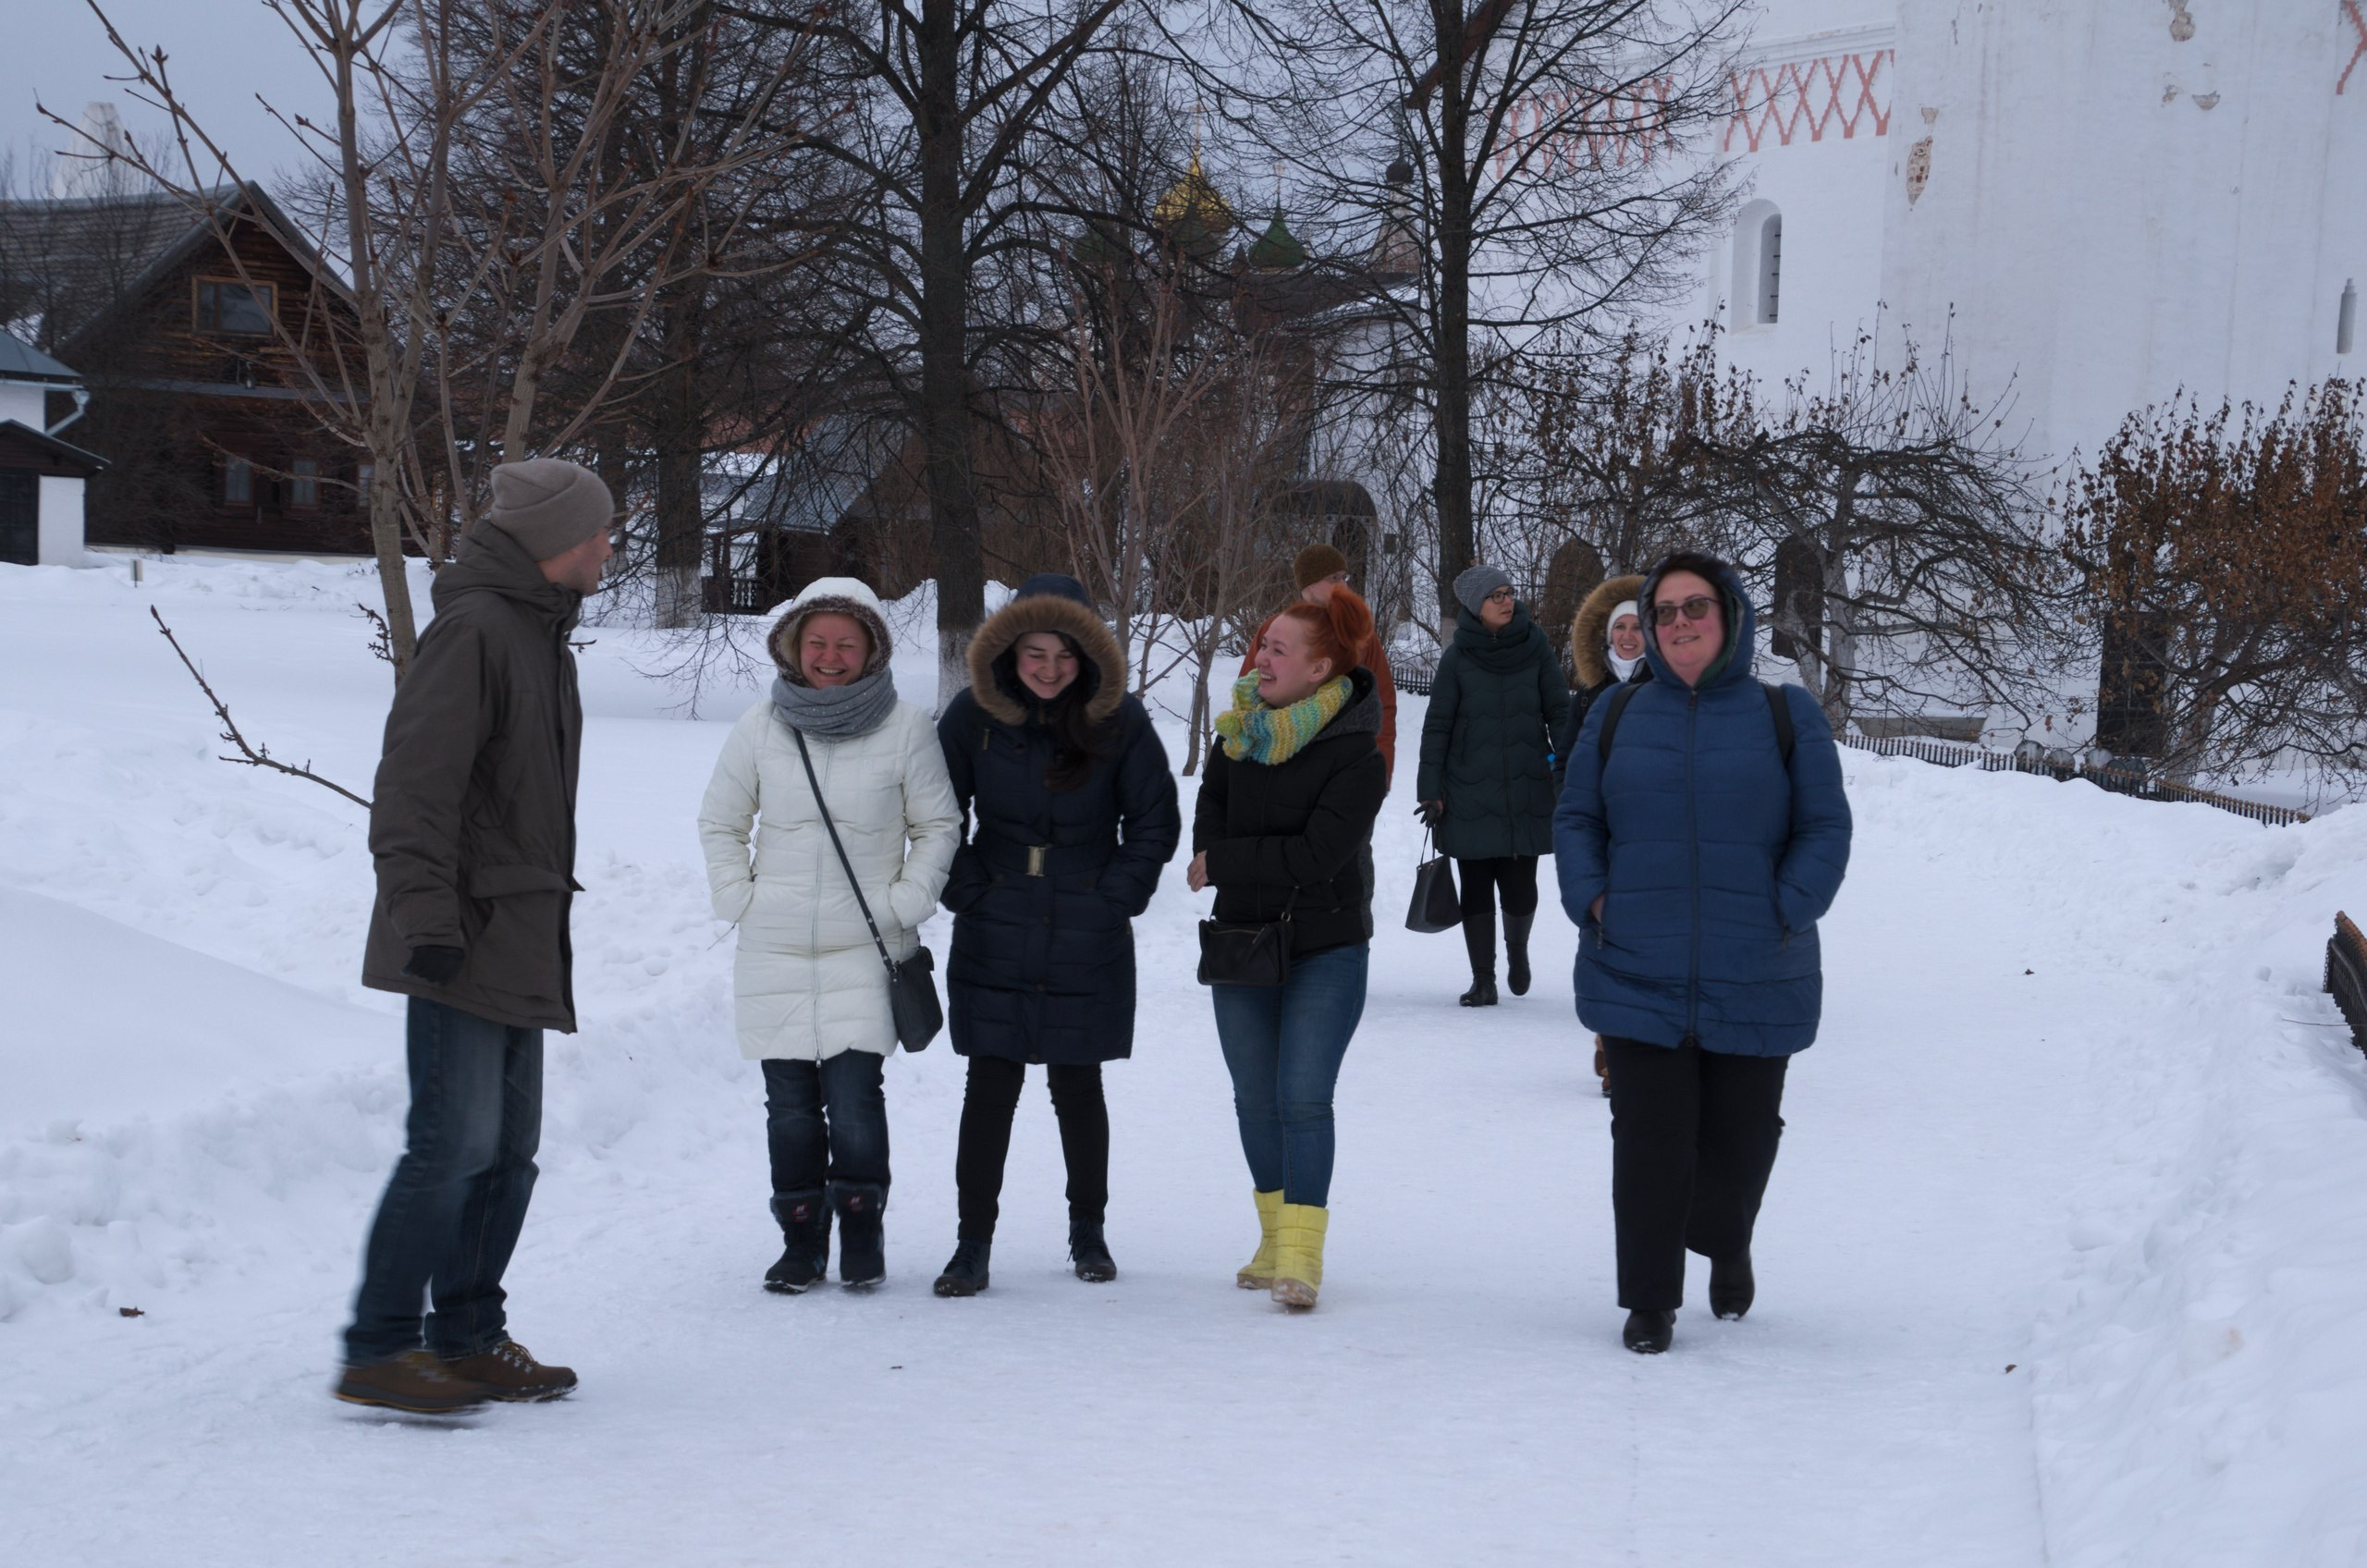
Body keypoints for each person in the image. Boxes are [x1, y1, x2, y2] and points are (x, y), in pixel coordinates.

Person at [337, 458, 614, 1415]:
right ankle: (379, 1346)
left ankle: (466, 1334)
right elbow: (414, 791)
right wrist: (426, 921)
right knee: (450, 1146)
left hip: (522, 931)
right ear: (554, 542)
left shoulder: (541, 639)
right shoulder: (476, 634)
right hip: (459, 935)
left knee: (507, 1154)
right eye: (598, 532)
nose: (608, 547)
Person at [1554, 550, 1852, 1355]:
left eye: (1697, 608)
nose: (1680, 623)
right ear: (1648, 629)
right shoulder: (1616, 718)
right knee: (1648, 1135)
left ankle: (1726, 1240)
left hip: (1756, 964)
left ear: (1730, 617)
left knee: (1741, 1137)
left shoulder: (1786, 715)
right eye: (1665, 612)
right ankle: (1649, 1299)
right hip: (1635, 960)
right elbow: (1577, 818)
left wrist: (1786, 906)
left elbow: (1825, 827)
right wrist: (1594, 898)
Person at [698, 577, 961, 1295]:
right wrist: (737, 894)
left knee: (853, 1100)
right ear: (793, 646)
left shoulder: (906, 728)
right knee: (787, 1106)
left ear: (872, 648)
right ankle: (801, 1240)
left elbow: (937, 825)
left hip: (865, 944)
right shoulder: (761, 726)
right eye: (817, 642)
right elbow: (721, 820)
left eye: (846, 642)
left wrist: (904, 901)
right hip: (774, 945)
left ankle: (862, 1230)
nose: (830, 655)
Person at [930, 574, 1181, 1297]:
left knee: (1079, 1084)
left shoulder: (1119, 720)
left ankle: (1089, 1231)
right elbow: (934, 816)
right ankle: (971, 1245)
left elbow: (1154, 822)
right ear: (1009, 651)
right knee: (990, 1085)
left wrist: (1116, 897)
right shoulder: (971, 716)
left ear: (1088, 656)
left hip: (1085, 918)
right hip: (997, 917)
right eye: (1034, 652)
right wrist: (970, 891)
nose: (1048, 668)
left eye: (1064, 654)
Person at [1189, 587, 1388, 1311]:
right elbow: (1204, 833)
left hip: (1325, 947)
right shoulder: (1235, 735)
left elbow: (1317, 857)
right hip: (1243, 940)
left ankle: (1302, 1255)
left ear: (1320, 668)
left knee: (1301, 1098)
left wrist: (1230, 861)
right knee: (1252, 1099)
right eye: (1260, 644)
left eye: (1277, 648)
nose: (1260, 657)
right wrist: (1227, 857)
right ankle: (1273, 1238)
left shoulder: (1357, 756)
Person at [1416, 565, 1572, 1007]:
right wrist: (1431, 788)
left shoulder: (1536, 646)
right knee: (1477, 882)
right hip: (1467, 786)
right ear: (1474, 606)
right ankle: (1483, 978)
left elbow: (1559, 711)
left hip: (1526, 782)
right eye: (1496, 596)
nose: (1507, 601)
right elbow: (1438, 727)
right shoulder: (1458, 657)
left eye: (1509, 593)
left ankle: (1517, 953)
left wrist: (1567, 769)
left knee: (1520, 884)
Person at [1553, 572, 1650, 1096]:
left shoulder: (1667, 690)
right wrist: (1573, 809)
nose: (1628, 637)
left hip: (1652, 837)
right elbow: (1565, 762)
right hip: (1602, 839)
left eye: (1638, 627)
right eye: (1620, 628)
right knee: (1604, 940)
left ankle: (1643, 1046)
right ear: (1607, 634)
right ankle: (1611, 1050)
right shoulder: (1589, 695)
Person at [1239, 544, 1398, 787]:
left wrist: (1381, 769)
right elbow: (1248, 697)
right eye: (1333, 578)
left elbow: (1383, 704)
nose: (1343, 585)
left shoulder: (1360, 637)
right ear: (1308, 585)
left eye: (1344, 577)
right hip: (1282, 769)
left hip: (1346, 773)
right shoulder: (1276, 629)